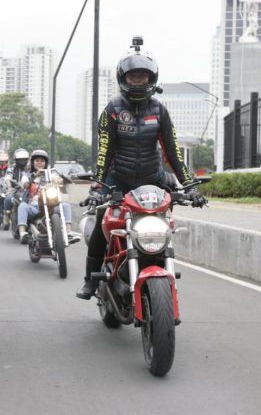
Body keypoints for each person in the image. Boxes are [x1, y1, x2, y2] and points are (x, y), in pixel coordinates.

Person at [76, 38, 207, 300]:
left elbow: (173, 152)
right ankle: (91, 280)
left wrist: (189, 186)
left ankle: (158, 268)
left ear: (152, 79)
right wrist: (97, 187)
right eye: (133, 77)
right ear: (123, 78)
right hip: (118, 180)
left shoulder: (159, 110)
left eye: (143, 77)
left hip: (153, 180)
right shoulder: (112, 110)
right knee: (104, 223)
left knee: (163, 228)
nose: (138, 82)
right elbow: (104, 151)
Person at [16, 149, 80, 245]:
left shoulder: (51, 174)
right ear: (32, 162)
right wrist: (32, 178)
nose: (39, 163)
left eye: (42, 161)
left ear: (45, 163)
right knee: (22, 206)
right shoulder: (27, 175)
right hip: (34, 207)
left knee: (66, 205)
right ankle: (23, 234)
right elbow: (23, 185)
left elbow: (60, 184)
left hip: (51, 205)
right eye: (37, 160)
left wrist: (62, 181)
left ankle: (68, 233)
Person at [3, 148, 30, 227]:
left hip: (28, 189)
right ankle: (6, 216)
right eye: (20, 160)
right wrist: (9, 187)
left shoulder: (30, 167)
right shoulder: (12, 167)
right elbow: (8, 177)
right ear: (16, 160)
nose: (22, 162)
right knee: (8, 198)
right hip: (15, 188)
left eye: (24, 160)